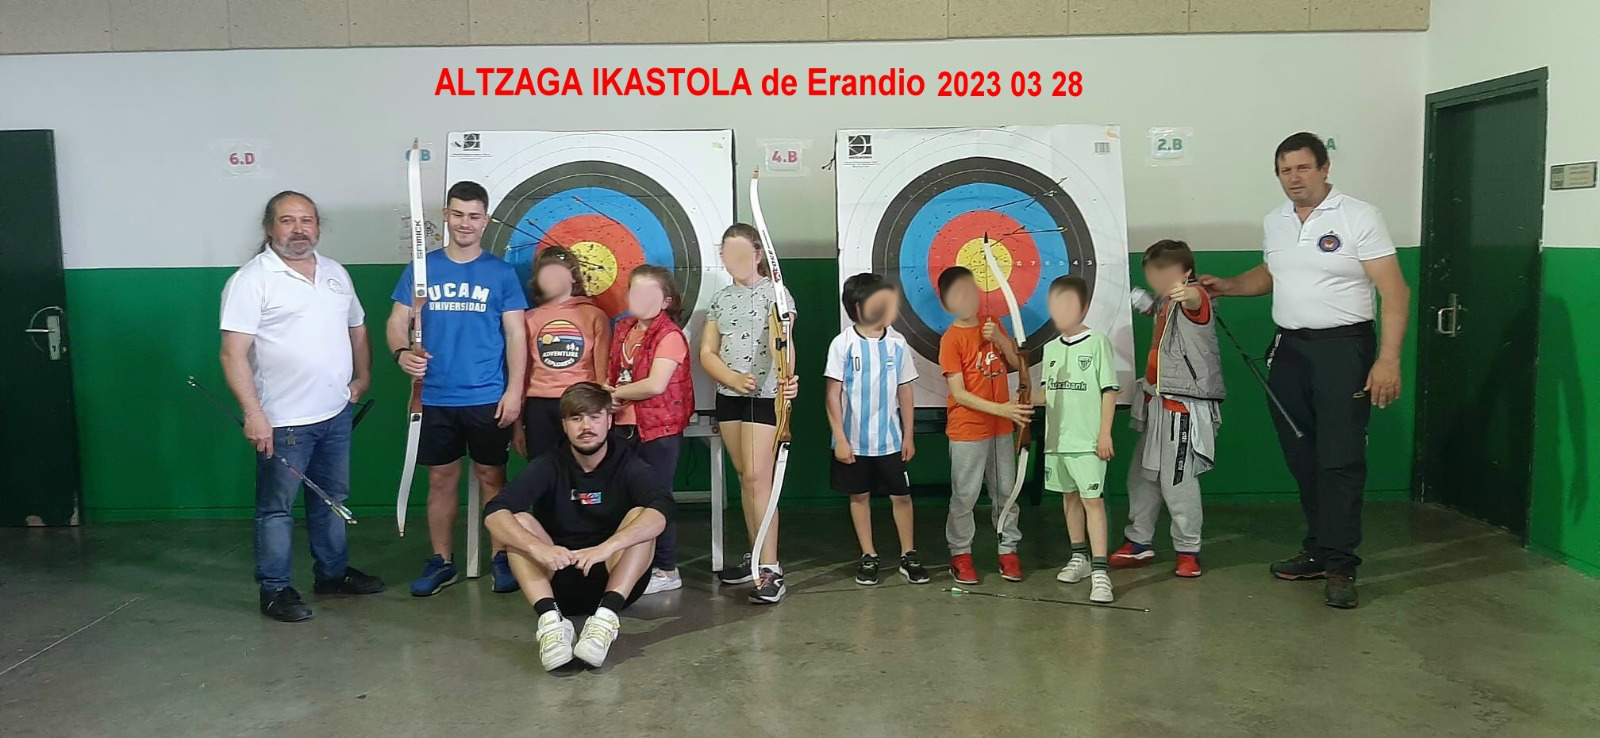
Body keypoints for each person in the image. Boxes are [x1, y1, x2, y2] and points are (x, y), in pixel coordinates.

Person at [1199, 132, 1411, 609]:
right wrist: (1229, 285)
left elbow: (1395, 291)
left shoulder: (1359, 216)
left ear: (1324, 168)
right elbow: (1271, 274)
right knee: (1302, 456)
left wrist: (1388, 359)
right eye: (1284, 170)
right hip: (1290, 350)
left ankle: (1340, 565)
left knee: (1339, 459)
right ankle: (1318, 549)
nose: (1293, 178)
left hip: (1345, 350)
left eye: (1302, 168)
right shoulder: (1275, 221)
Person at [219, 190, 385, 622]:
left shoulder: (335, 273)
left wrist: (363, 377)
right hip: (282, 421)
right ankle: (274, 590)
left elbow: (358, 328)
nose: (299, 229)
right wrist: (254, 414)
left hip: (335, 414)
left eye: (307, 220)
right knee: (276, 510)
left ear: (318, 226)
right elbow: (233, 353)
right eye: (288, 220)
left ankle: (332, 574)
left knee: (332, 499)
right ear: (269, 227)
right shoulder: (251, 280)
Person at [387, 181, 529, 597]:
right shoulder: (421, 269)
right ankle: (442, 561)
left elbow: (516, 336)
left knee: (492, 477)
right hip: (434, 396)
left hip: (487, 396)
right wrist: (400, 353)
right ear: (446, 216)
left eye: (474, 216)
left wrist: (514, 391)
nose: (465, 223)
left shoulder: (501, 273)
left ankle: (501, 556)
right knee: (441, 480)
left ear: (485, 221)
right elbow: (396, 321)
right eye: (458, 214)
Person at [484, 382, 671, 672]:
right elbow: (494, 512)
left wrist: (606, 548)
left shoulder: (627, 462)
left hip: (613, 575)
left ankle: (605, 620)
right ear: (565, 425)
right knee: (516, 521)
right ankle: (550, 622)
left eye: (595, 417)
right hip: (558, 576)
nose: (586, 426)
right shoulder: (550, 463)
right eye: (576, 418)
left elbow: (662, 511)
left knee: (643, 516)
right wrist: (538, 548)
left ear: (609, 421)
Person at [1111, 240, 1225, 578]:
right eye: (1152, 271)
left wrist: (1186, 291)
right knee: (1142, 476)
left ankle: (1188, 549)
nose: (1156, 277)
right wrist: (1141, 299)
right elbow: (1161, 311)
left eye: (1165, 271)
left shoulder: (1196, 297)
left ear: (1186, 272)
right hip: (1157, 402)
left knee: (1178, 481)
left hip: (1183, 405)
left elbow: (1193, 301)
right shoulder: (1165, 301)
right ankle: (1139, 540)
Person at [700, 223, 800, 604]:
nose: (736, 260)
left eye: (743, 252)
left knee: (760, 478)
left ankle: (771, 568)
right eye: (728, 253)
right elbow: (708, 352)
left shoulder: (778, 294)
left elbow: (785, 343)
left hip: (765, 395)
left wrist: (789, 378)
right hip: (730, 396)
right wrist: (731, 378)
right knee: (745, 477)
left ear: (759, 255)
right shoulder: (721, 299)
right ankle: (756, 555)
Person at [825, 273, 929, 586]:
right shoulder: (842, 344)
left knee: (902, 496)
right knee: (859, 497)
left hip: (891, 441)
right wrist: (841, 439)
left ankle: (908, 554)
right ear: (859, 307)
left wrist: (908, 435)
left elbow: (905, 392)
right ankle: (868, 555)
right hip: (854, 441)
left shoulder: (897, 343)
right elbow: (832, 395)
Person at [937, 266, 1032, 585]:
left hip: (1001, 429)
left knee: (1006, 491)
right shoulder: (951, 339)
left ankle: (1008, 549)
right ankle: (961, 553)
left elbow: (1018, 364)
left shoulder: (993, 324)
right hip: (968, 430)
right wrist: (1002, 408)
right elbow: (959, 393)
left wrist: (1001, 340)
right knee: (965, 495)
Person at [602, 265, 694, 595]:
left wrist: (615, 394)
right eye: (634, 291)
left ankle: (666, 568)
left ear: (666, 301)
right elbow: (615, 373)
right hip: (622, 426)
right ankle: (629, 565)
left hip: (658, 429)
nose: (639, 299)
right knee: (625, 497)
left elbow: (656, 384)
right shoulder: (623, 328)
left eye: (649, 293)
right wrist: (609, 396)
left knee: (656, 498)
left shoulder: (670, 335)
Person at [1040, 276, 1120, 604]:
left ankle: (1100, 572)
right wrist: (1018, 398)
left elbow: (1109, 391)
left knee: (1092, 501)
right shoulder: (1050, 349)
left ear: (1083, 307)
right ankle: (1079, 557)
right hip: (1057, 441)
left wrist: (1104, 433)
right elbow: (1045, 393)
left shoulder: (1097, 342)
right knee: (1069, 498)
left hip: (1088, 441)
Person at [517, 246, 611, 461]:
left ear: (574, 276)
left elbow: (602, 373)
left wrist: (603, 414)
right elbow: (522, 374)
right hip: (539, 406)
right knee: (542, 469)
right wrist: (517, 425)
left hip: (582, 403)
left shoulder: (594, 316)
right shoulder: (529, 318)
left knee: (582, 468)